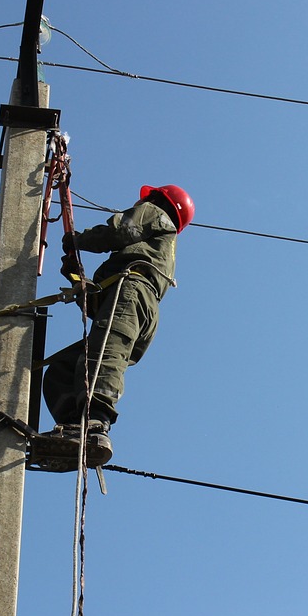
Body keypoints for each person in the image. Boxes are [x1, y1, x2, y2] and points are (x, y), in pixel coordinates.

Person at [40, 184, 195, 464]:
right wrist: (78, 280)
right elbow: (100, 309)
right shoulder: (156, 250)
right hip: (139, 306)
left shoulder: (156, 213)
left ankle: (95, 425)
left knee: (104, 356)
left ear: (160, 199)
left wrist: (79, 240)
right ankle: (73, 427)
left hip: (132, 292)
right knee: (65, 368)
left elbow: (119, 231)